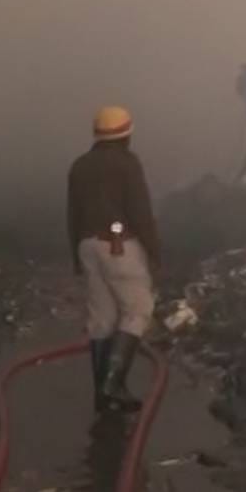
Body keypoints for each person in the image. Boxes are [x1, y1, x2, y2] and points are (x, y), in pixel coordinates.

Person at [67, 106, 161, 412]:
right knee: (138, 310)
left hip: (87, 246)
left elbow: (73, 214)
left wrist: (76, 256)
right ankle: (113, 384)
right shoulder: (127, 163)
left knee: (102, 320)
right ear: (126, 134)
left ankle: (102, 393)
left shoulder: (80, 165)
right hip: (118, 245)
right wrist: (155, 251)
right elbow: (140, 211)